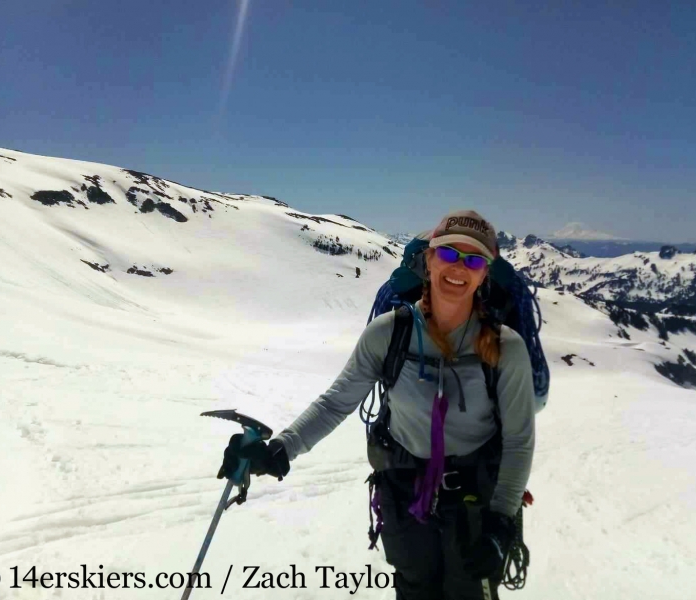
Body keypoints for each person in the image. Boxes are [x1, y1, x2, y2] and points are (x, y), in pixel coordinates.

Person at [218, 210, 536, 600]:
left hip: (476, 505)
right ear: (429, 259)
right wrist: (280, 449)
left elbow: (519, 439)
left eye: (473, 260)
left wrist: (501, 522)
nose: (460, 268)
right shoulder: (389, 332)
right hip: (405, 495)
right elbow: (337, 402)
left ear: (485, 273)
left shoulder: (507, 348)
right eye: (450, 254)